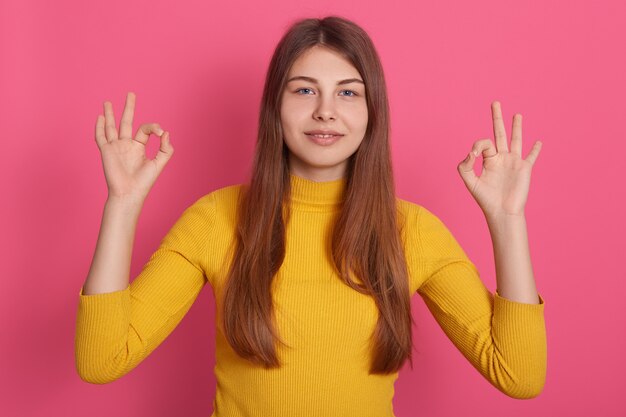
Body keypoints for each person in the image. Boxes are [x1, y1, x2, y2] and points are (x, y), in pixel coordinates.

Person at [75, 15, 546, 417]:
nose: (325, 112)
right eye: (304, 90)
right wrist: (122, 203)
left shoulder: (412, 231)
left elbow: (518, 374)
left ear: (371, 112)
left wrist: (507, 219)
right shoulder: (215, 219)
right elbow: (101, 359)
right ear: (274, 108)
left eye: (347, 93)